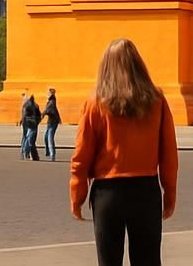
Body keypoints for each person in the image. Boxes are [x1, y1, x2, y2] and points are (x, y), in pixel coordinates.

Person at [69, 38, 177, 266]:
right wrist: (169, 191)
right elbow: (169, 154)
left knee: (108, 262)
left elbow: (81, 154)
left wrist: (77, 195)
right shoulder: (157, 100)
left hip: (108, 194)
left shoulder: (95, 102)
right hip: (146, 191)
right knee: (148, 260)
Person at [20, 93, 42, 161]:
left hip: (27, 124)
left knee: (26, 139)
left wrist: (22, 122)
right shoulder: (35, 105)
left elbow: (24, 116)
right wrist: (37, 122)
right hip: (33, 124)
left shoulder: (25, 105)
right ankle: (33, 156)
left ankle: (25, 153)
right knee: (31, 140)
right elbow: (39, 116)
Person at [43, 88, 62, 162]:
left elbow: (48, 110)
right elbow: (55, 110)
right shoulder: (51, 101)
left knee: (50, 137)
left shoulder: (52, 101)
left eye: (48, 93)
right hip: (51, 121)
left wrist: (42, 114)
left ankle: (52, 154)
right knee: (46, 136)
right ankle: (48, 152)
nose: (47, 94)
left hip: (53, 122)